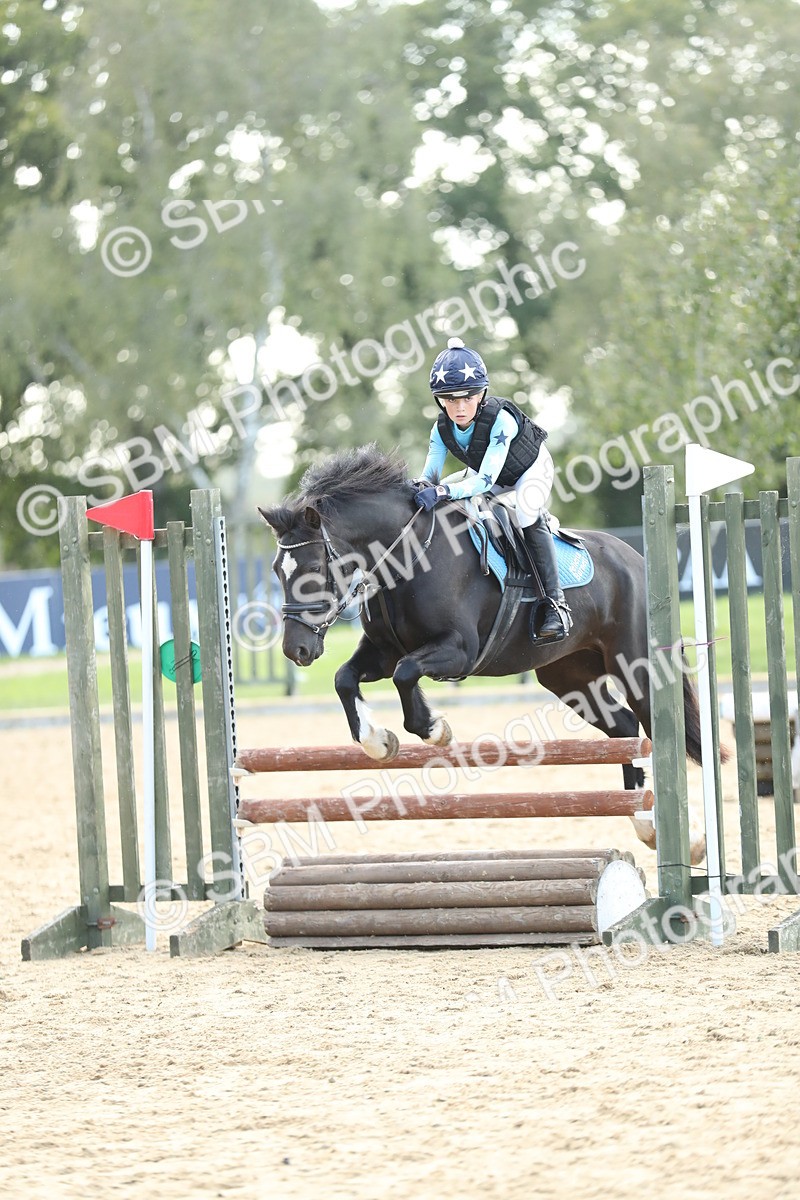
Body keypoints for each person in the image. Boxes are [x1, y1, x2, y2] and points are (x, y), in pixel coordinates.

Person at [415, 336, 571, 642]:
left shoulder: (501, 420)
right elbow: (430, 477)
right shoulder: (440, 429)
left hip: (529, 471)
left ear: (481, 394)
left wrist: (443, 492)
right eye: (450, 399)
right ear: (439, 400)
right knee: (449, 495)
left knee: (526, 514)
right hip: (490, 473)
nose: (459, 407)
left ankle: (555, 605)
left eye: (467, 398)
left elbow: (484, 482)